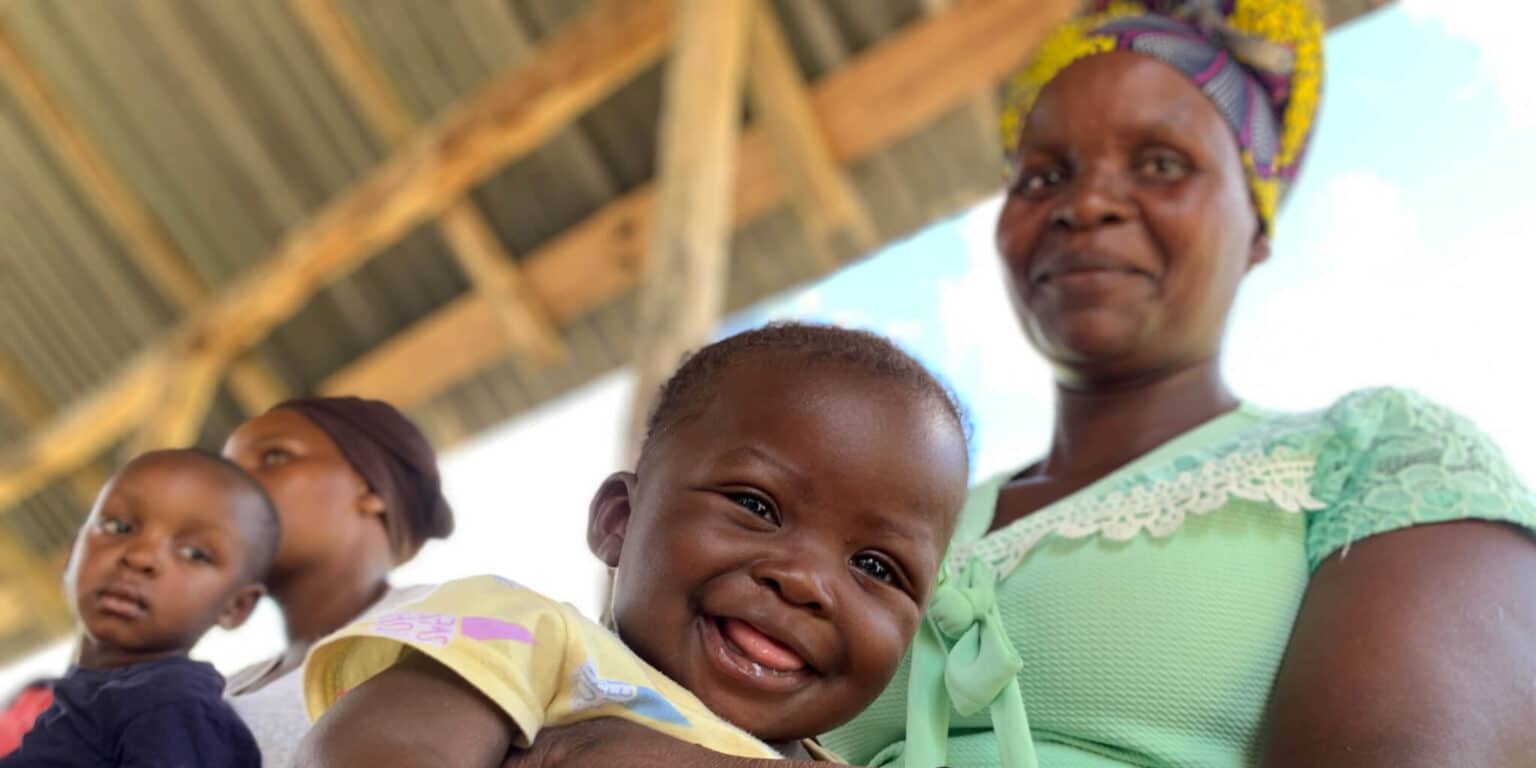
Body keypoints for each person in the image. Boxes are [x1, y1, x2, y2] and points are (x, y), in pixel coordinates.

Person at [493, 2, 1536, 767]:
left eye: (1161, 164)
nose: (1088, 204)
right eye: (1043, 174)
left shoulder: (1376, 458)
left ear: (1256, 224)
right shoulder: (890, 522)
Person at [294, 323, 973, 766]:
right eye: (755, 505)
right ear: (619, 519)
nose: (805, 582)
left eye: (877, 567)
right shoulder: (527, 639)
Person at [2, 449, 277, 767]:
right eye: (118, 527)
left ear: (235, 606)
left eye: (193, 553)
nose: (140, 557)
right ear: (73, 552)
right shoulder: (78, 706)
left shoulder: (170, 706)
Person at [221, 396, 455, 768]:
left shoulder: (451, 629)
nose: (228, 489)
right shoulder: (216, 689)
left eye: (275, 456)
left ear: (370, 490)